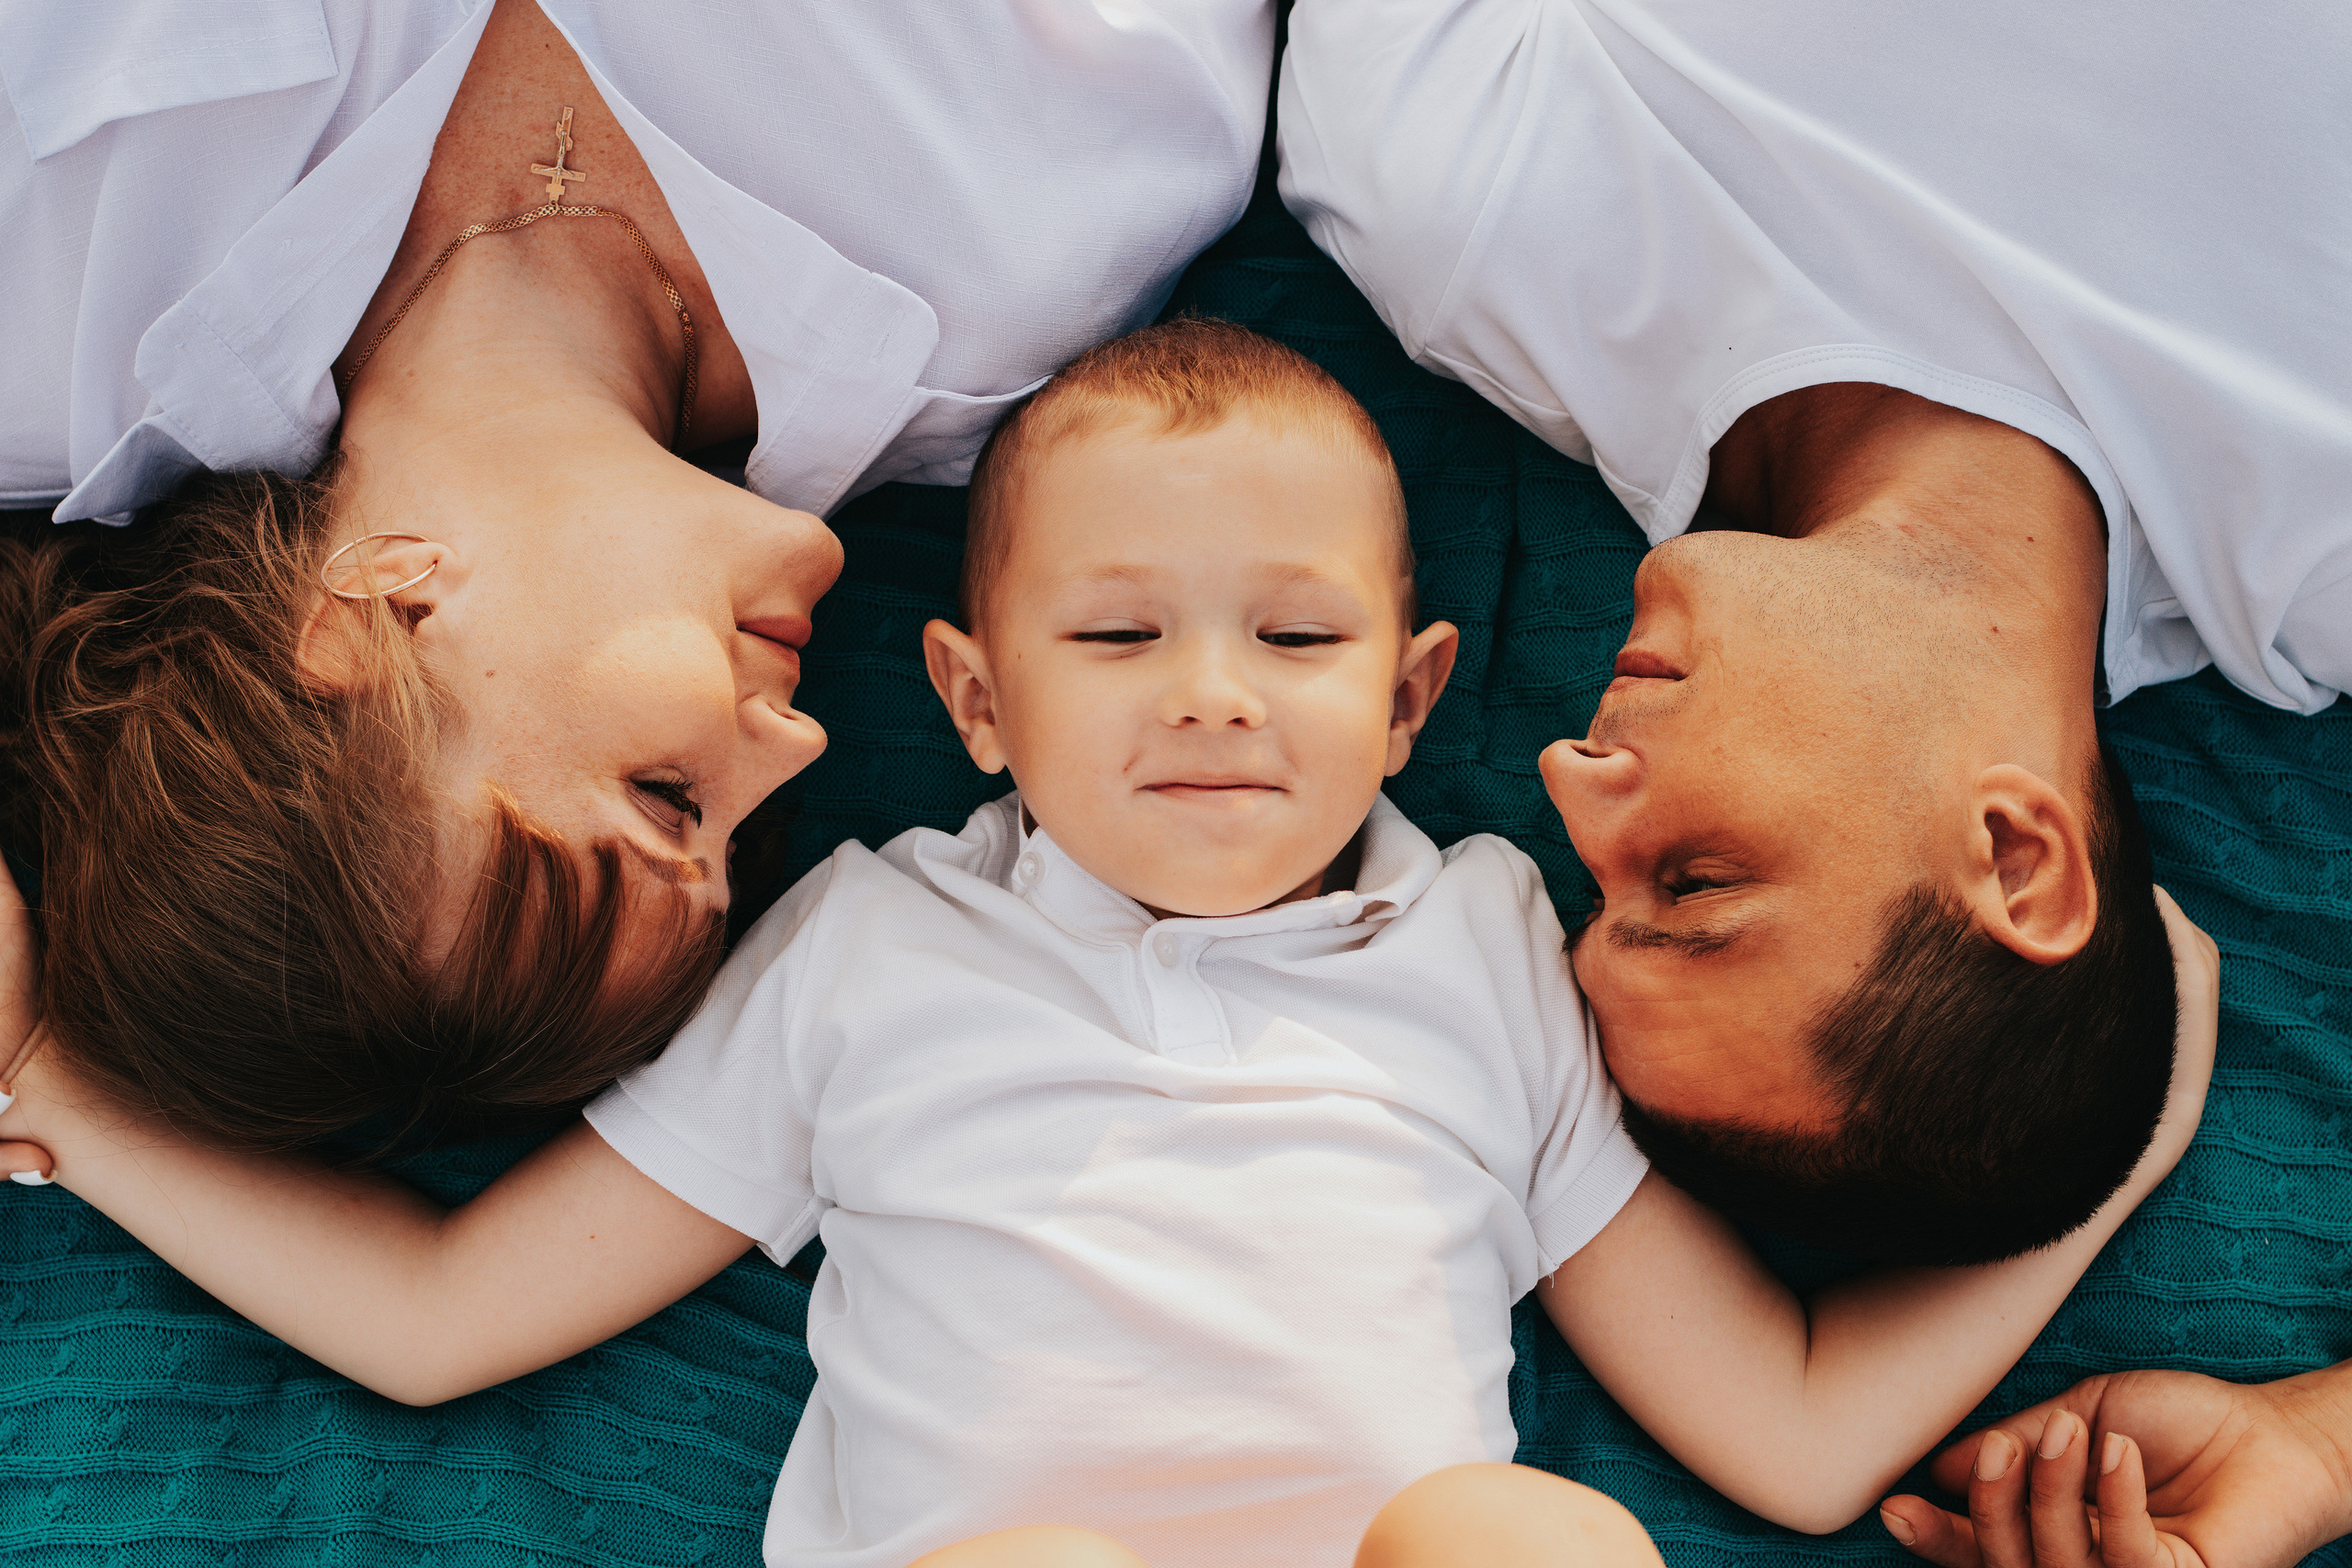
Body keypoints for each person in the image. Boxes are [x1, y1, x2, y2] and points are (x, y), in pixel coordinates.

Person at [0, 322, 2218, 1567]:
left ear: (1415, 697)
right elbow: (435, 1309)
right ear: (973, 700)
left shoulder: (1492, 952)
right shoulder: (865, 948)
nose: (1214, 693)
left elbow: (1797, 1434)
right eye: (1116, 632)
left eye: (1296, 636)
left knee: (1520, 1538)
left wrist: (2122, 1120)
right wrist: (63, 1097)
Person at [1273, 0, 2352, 1558]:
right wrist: (2313, 1452)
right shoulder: (2312, 538)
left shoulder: (1463, 209)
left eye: (1594, 888)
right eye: (1692, 882)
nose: (1573, 782)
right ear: (2019, 858)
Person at [0, 0, 1271, 1146]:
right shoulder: (1020, 240)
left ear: (375, 613)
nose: (795, 750)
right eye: (737, 839)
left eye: (668, 798)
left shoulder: (56, 321)